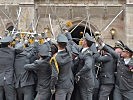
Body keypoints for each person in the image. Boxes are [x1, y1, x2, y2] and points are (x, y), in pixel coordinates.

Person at [50, 34, 74, 100]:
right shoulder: (69, 54)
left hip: (61, 86)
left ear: (57, 44)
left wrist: (52, 87)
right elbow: (70, 44)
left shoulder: (55, 59)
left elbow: (54, 76)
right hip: (70, 84)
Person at [74, 33, 95, 100]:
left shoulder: (88, 54)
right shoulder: (83, 51)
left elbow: (88, 66)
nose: (81, 41)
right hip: (84, 81)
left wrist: (78, 74)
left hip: (86, 81)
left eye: (83, 40)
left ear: (85, 42)